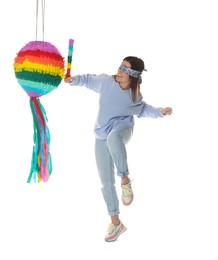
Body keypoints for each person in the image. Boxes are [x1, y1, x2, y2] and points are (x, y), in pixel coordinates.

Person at [64, 56, 172, 242]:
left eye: (125, 69)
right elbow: (89, 79)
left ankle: (125, 179)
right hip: (101, 134)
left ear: (133, 76)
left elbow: (143, 110)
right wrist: (73, 80)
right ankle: (116, 223)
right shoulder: (107, 82)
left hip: (122, 129)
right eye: (121, 66)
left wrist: (160, 112)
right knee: (105, 181)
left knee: (114, 138)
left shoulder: (133, 95)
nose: (120, 71)